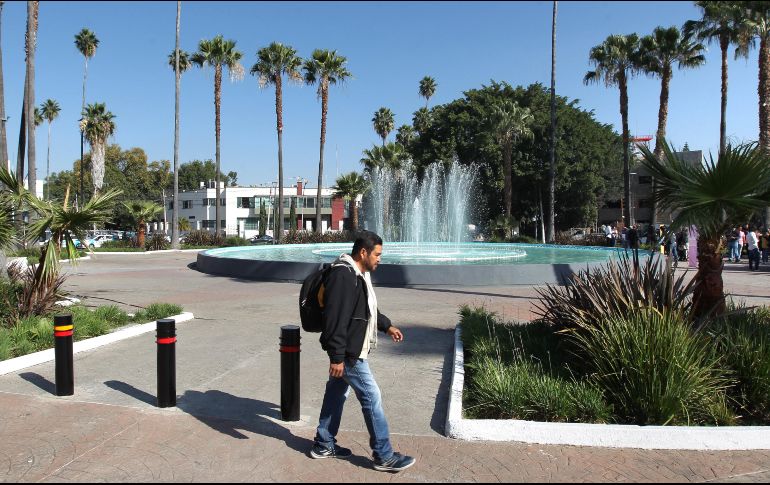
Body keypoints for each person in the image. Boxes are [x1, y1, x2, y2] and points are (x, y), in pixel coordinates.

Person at [311, 231, 416, 472]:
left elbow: (365, 309)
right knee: (372, 396)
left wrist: (387, 325)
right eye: (377, 254)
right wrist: (336, 357)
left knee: (337, 393)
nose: (380, 259)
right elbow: (335, 319)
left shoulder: (358, 274)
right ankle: (384, 455)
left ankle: (324, 443)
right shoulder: (343, 275)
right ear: (363, 253)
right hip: (348, 353)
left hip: (349, 349)